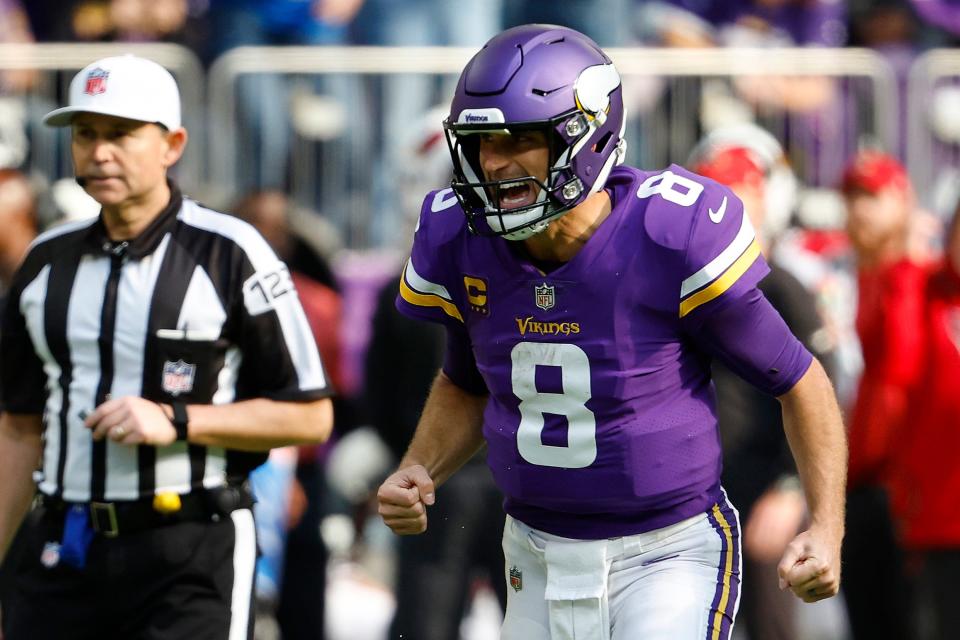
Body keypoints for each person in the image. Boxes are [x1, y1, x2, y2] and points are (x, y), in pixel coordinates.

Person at [376, 24, 847, 639]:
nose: (495, 162)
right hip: (533, 554)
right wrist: (421, 467)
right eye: (483, 142)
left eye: (522, 139)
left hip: (667, 555)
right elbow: (467, 381)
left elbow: (800, 379)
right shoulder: (461, 241)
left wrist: (825, 526)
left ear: (586, 136)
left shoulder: (668, 232)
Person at [0, 54, 334, 640]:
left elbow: (309, 415)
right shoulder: (44, 261)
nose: (100, 152)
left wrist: (176, 420)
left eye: (122, 133)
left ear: (172, 144)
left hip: (189, 550)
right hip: (62, 546)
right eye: (86, 134)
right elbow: (19, 428)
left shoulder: (232, 251)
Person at [689, 125, 835, 640]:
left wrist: (791, 489)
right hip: (698, 493)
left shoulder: (784, 286)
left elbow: (820, 395)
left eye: (738, 193)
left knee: (769, 624)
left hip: (761, 488)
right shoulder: (683, 286)